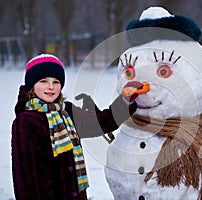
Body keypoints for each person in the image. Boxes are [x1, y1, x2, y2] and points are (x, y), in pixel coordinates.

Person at [11, 54, 138, 200]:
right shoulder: (26, 121)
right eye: (43, 81)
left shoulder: (67, 112)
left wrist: (125, 100)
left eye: (56, 81)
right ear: (32, 85)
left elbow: (103, 122)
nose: (51, 87)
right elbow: (25, 177)